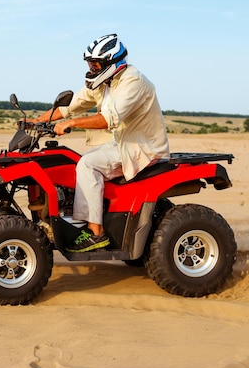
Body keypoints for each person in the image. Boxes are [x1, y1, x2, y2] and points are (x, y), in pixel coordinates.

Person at [34, 34, 170, 252]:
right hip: (121, 143)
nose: (92, 68)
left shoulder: (133, 82)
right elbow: (69, 107)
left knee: (88, 165)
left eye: (96, 64)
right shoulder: (104, 83)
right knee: (72, 162)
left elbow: (109, 119)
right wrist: (35, 121)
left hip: (141, 148)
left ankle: (96, 233)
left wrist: (72, 123)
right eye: (90, 63)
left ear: (112, 62)